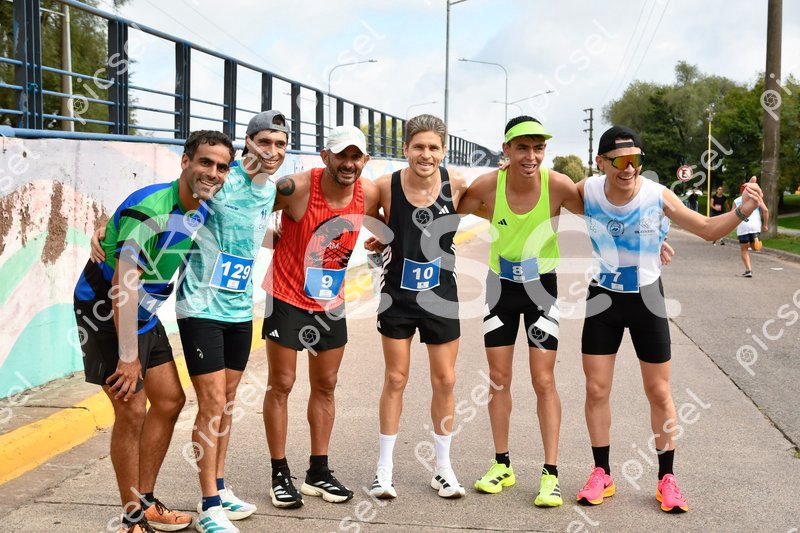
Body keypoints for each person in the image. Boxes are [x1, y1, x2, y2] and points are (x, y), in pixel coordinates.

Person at [90, 114, 290, 533]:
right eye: (264, 141)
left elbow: (251, 229)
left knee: (181, 402)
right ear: (248, 143)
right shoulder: (208, 186)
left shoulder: (249, 191)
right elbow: (136, 239)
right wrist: (107, 231)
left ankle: (168, 498)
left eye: (281, 143)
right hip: (122, 310)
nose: (272, 151)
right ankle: (159, 513)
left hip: (191, 311)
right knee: (144, 408)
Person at [574, 125, 763, 513]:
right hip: (603, 300)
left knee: (659, 391)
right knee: (596, 389)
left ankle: (667, 478)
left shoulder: (656, 195)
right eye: (620, 162)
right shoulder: (586, 190)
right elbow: (540, 192)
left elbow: (707, 229)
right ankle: (602, 473)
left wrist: (742, 210)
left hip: (647, 300)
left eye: (636, 160)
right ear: (601, 162)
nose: (629, 169)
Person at [74, 130, 234, 532]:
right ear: (185, 161)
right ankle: (131, 520)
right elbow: (122, 288)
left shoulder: (202, 207)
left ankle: (144, 503)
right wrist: (128, 357)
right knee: (131, 409)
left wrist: (106, 227)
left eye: (221, 167)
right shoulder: (152, 210)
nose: (213, 172)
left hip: (144, 313)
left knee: (170, 401)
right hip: (106, 309)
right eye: (205, 162)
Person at [457, 116, 583, 507]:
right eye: (522, 148)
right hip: (500, 289)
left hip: (542, 290)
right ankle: (502, 465)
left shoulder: (559, 185)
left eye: (538, 148)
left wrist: (651, 242)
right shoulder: (487, 186)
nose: (531, 156)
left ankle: (551, 474)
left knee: (543, 379)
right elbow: (447, 210)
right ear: (506, 150)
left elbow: (603, 215)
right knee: (498, 379)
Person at [261, 125, 381, 509]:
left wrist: (382, 238)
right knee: (282, 384)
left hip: (330, 302)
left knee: (326, 385)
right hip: (286, 296)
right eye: (341, 155)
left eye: (356, 156)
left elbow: (401, 213)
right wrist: (273, 240)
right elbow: (244, 208)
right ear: (325, 156)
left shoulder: (370, 193)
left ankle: (318, 471)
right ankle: (280, 474)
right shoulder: (295, 188)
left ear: (365, 160)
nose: (348, 163)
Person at [364, 114, 469, 499]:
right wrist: (382, 236)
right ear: (406, 148)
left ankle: (442, 469)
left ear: (443, 150)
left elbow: (493, 202)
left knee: (446, 380)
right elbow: (364, 214)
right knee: (395, 378)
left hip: (441, 294)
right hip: (397, 295)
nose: (426, 154)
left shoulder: (457, 184)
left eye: (434, 148)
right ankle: (384, 471)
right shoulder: (384, 186)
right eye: (419, 147)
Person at [734, 182, 769, 277]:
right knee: (755, 247)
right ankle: (755, 241)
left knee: (744, 250)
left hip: (742, 226)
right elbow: (765, 210)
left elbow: (732, 215)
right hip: (755, 226)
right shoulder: (757, 199)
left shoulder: (736, 200)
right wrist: (765, 225)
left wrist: (731, 226)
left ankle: (748, 270)